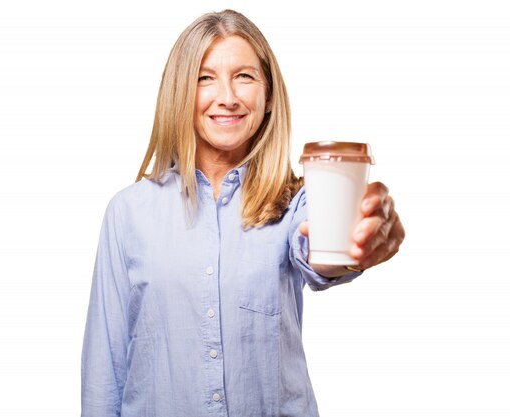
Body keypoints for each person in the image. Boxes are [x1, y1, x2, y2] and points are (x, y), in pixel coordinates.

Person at [81, 9, 405, 417]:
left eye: (245, 76)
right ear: (180, 92)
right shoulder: (127, 213)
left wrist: (358, 241)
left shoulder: (294, 203)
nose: (228, 96)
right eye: (205, 77)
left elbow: (320, 254)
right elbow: (104, 371)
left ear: (268, 97)